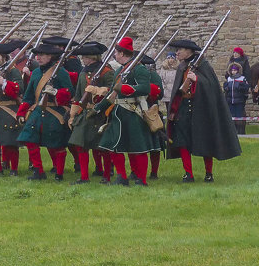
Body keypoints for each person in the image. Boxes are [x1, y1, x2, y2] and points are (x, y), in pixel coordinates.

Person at [167, 39, 242, 182]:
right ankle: (188, 173)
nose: (177, 53)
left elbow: (211, 87)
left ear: (189, 51)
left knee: (205, 141)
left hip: (200, 109)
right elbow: (178, 90)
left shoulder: (203, 65)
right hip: (183, 108)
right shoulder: (182, 66)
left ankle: (209, 173)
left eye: (180, 50)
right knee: (182, 141)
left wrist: (197, 79)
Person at [96, 37, 157, 186]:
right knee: (112, 145)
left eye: (116, 53)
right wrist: (98, 108)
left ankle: (141, 180)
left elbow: (145, 88)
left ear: (122, 53)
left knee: (138, 148)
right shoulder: (119, 70)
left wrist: (124, 88)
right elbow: (112, 93)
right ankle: (121, 177)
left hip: (133, 112)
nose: (115, 55)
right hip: (118, 113)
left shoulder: (139, 68)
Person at [16, 42, 75, 181]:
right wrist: (21, 112)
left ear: (51, 56)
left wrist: (55, 92)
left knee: (57, 144)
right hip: (37, 111)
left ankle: (59, 174)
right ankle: (38, 171)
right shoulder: (36, 72)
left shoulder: (60, 72)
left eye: (42, 55)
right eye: (38, 54)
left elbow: (69, 93)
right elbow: (29, 95)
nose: (38, 57)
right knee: (29, 140)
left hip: (55, 111)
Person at [67, 41, 114, 184]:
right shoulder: (83, 72)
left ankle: (106, 175)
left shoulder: (107, 71)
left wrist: (96, 90)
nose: (83, 59)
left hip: (101, 113)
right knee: (80, 145)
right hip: (85, 112)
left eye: (85, 57)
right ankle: (84, 177)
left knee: (103, 147)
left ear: (92, 57)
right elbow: (78, 95)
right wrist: (73, 114)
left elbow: (112, 92)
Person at [0, 41, 27, 176]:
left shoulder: (13, 71)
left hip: (9, 110)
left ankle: (14, 169)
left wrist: (5, 84)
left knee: (10, 142)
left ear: (4, 57)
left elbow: (19, 89)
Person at [223, 63, 250, 134]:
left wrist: (241, 88)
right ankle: (232, 132)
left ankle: (241, 132)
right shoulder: (229, 79)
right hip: (230, 101)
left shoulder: (242, 78)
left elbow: (246, 88)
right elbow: (225, 89)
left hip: (239, 101)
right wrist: (226, 88)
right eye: (232, 70)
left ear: (238, 71)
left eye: (235, 70)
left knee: (239, 117)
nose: (233, 72)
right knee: (232, 117)